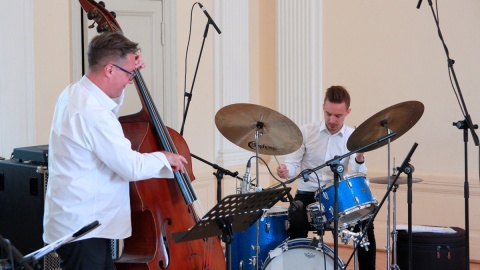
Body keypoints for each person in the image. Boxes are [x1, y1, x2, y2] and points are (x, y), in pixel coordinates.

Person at [43, 32, 188, 270]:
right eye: (129, 74)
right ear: (110, 70)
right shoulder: (93, 113)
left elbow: (107, 110)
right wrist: (164, 157)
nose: (131, 80)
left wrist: (130, 66)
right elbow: (130, 167)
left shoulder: (75, 92)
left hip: (83, 224)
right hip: (83, 229)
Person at [276, 85, 376, 270]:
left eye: (338, 116)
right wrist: (285, 170)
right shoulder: (306, 132)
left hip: (338, 195)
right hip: (307, 194)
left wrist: (360, 157)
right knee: (295, 222)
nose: (331, 120)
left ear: (348, 112)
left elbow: (357, 174)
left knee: (365, 224)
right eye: (328, 113)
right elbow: (293, 164)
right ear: (323, 107)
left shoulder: (353, 137)